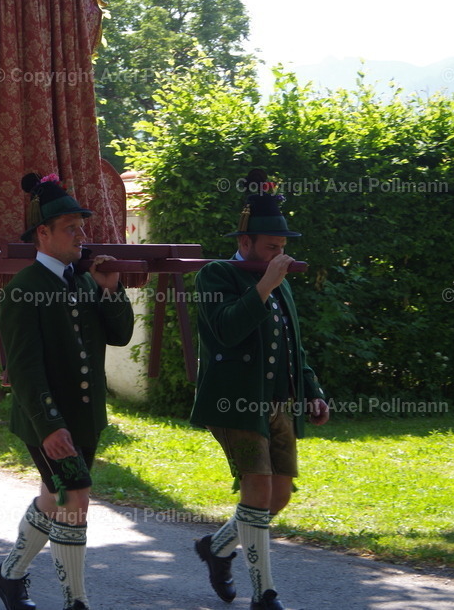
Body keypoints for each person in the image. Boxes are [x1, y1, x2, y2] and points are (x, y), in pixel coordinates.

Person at [0, 173, 134, 610]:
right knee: (75, 497)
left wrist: (110, 290)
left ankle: (9, 576)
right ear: (43, 233)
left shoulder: (88, 280)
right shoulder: (23, 289)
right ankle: (77, 600)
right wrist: (50, 425)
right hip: (46, 419)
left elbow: (121, 335)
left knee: (56, 498)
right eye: (70, 227)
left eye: (81, 226)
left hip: (85, 416)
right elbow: (25, 369)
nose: (81, 234)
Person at [190, 170, 329, 610]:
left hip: (278, 404)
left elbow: (294, 345)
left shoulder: (279, 279)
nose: (280, 255)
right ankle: (263, 593)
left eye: (283, 248)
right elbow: (226, 332)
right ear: (246, 242)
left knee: (280, 494)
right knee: (257, 488)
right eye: (272, 247)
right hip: (234, 405)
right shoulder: (216, 276)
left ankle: (216, 547)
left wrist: (312, 390)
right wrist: (265, 285)